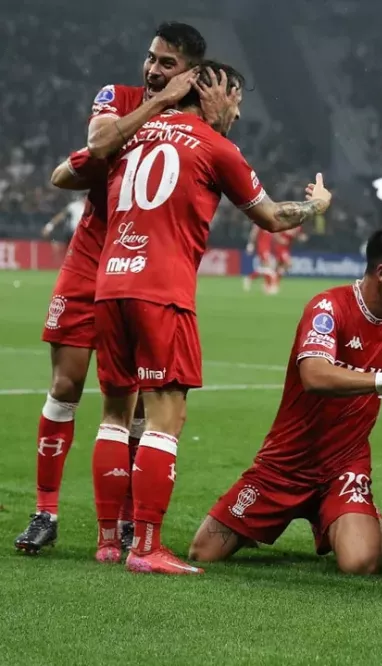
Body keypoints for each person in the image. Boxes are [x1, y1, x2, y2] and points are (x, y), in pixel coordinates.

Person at [91, 60, 331, 574]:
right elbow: (271, 217)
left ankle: (109, 540)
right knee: (165, 419)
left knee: (114, 416)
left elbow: (77, 165)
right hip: (162, 292)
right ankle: (147, 548)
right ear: (211, 95)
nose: (239, 113)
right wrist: (316, 207)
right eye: (235, 100)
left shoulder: (129, 133)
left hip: (110, 284)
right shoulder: (216, 146)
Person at [15, 21, 214, 555]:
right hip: (90, 259)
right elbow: (96, 145)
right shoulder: (117, 97)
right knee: (66, 386)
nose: (152, 69)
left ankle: (126, 523)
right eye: (151, 58)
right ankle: (45, 511)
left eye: (167, 64)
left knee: (142, 402)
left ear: (192, 73)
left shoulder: (201, 124)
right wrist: (161, 102)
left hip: (149, 267)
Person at [189, 226, 382, 576]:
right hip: (286, 462)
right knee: (204, 551)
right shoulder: (329, 308)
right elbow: (314, 375)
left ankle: (366, 523)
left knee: (360, 563)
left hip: (343, 463)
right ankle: (313, 518)